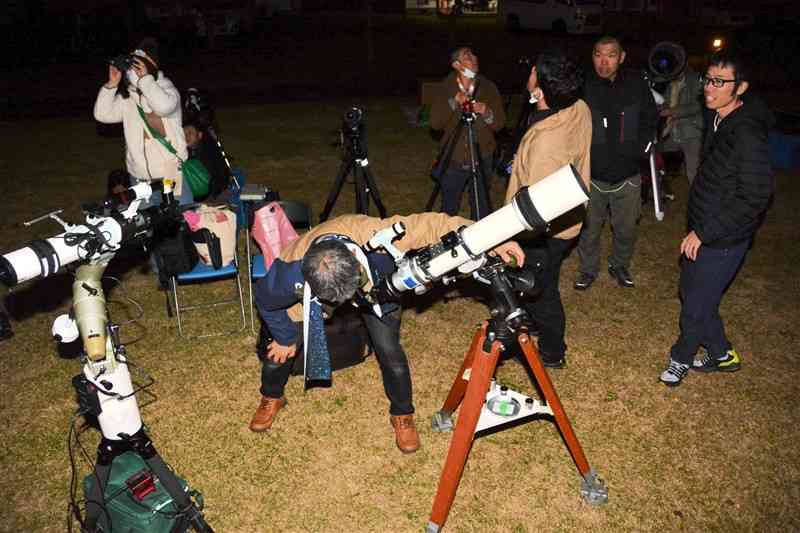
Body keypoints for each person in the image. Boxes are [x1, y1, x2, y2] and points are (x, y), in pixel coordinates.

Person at [251, 213, 524, 453]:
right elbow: (265, 300)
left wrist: (490, 238)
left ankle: (402, 413)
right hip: (311, 299)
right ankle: (271, 395)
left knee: (391, 352)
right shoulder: (291, 269)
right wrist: (286, 337)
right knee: (277, 348)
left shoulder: (378, 236)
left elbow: (435, 224)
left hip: (379, 289)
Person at [659, 50, 774, 386]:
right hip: (705, 227)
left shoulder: (747, 134)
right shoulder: (717, 116)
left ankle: (680, 358)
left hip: (724, 238)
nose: (709, 88)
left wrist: (705, 232)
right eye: (708, 79)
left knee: (694, 306)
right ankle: (722, 353)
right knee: (692, 292)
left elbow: (755, 197)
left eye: (720, 82)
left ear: (740, 87)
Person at [504, 50, 591, 368]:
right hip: (569, 216)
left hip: (544, 228)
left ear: (540, 89)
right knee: (543, 280)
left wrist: (510, 235)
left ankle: (553, 352)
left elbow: (534, 210)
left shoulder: (546, 143)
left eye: (533, 72)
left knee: (541, 289)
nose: (529, 72)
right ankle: (537, 326)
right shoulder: (578, 107)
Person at [574, 36, 658, 290]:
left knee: (626, 229)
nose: (604, 61)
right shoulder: (583, 86)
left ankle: (619, 265)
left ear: (621, 57)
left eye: (610, 55)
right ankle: (588, 270)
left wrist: (641, 150)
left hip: (627, 174)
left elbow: (650, 118)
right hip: (592, 173)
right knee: (589, 229)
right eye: (598, 54)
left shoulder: (636, 84)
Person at [93, 37, 193, 207]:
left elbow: (161, 107)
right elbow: (102, 114)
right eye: (131, 68)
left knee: (179, 226)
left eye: (138, 67)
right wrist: (112, 84)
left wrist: (145, 79)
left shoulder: (168, 91)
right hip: (140, 180)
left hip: (170, 178)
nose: (133, 73)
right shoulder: (129, 99)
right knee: (146, 231)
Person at [430, 46, 506, 220]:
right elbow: (435, 124)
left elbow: (500, 124)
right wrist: (453, 102)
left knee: (481, 206)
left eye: (473, 54)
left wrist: (487, 112)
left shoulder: (488, 87)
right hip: (453, 158)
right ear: (457, 64)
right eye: (467, 56)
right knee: (448, 208)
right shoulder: (446, 87)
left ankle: (480, 243)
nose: (474, 57)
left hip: (482, 157)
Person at [658, 48, 704, 186]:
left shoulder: (694, 80)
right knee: (654, 155)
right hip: (673, 131)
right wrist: (660, 108)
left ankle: (698, 198)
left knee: (693, 170)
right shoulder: (670, 84)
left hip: (691, 131)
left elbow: (698, 105)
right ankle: (661, 189)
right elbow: (665, 103)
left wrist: (672, 111)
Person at [183, 114, 230, 201]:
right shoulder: (182, 152)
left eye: (190, 133)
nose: (186, 136)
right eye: (184, 133)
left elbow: (219, 178)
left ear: (199, 135)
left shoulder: (209, 151)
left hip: (212, 194)